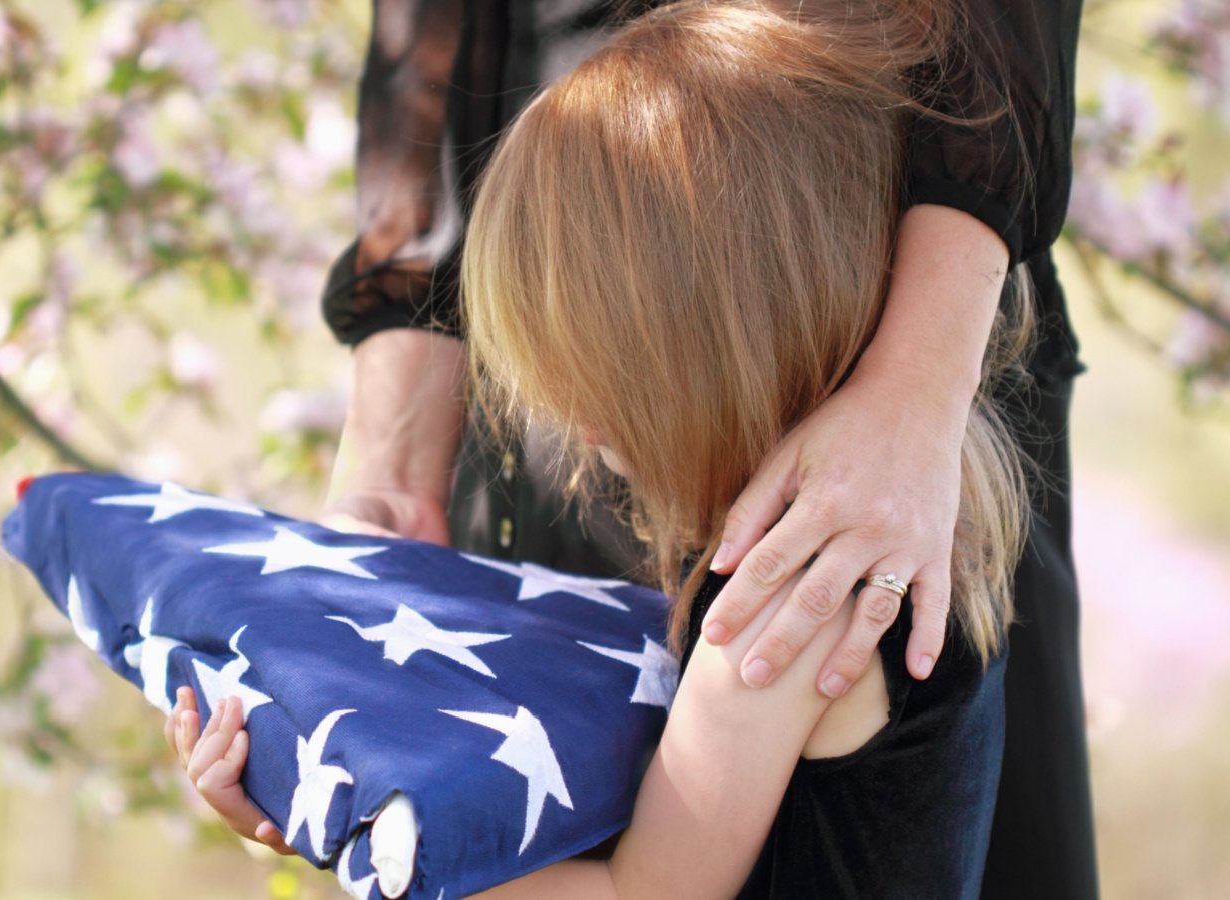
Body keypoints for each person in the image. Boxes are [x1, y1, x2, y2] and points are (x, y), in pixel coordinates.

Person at [168, 1, 1061, 895]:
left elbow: (640, 893)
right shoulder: (914, 530)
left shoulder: (791, 593)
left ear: (711, 351)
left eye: (599, 376)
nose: (579, 428)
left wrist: (347, 823)